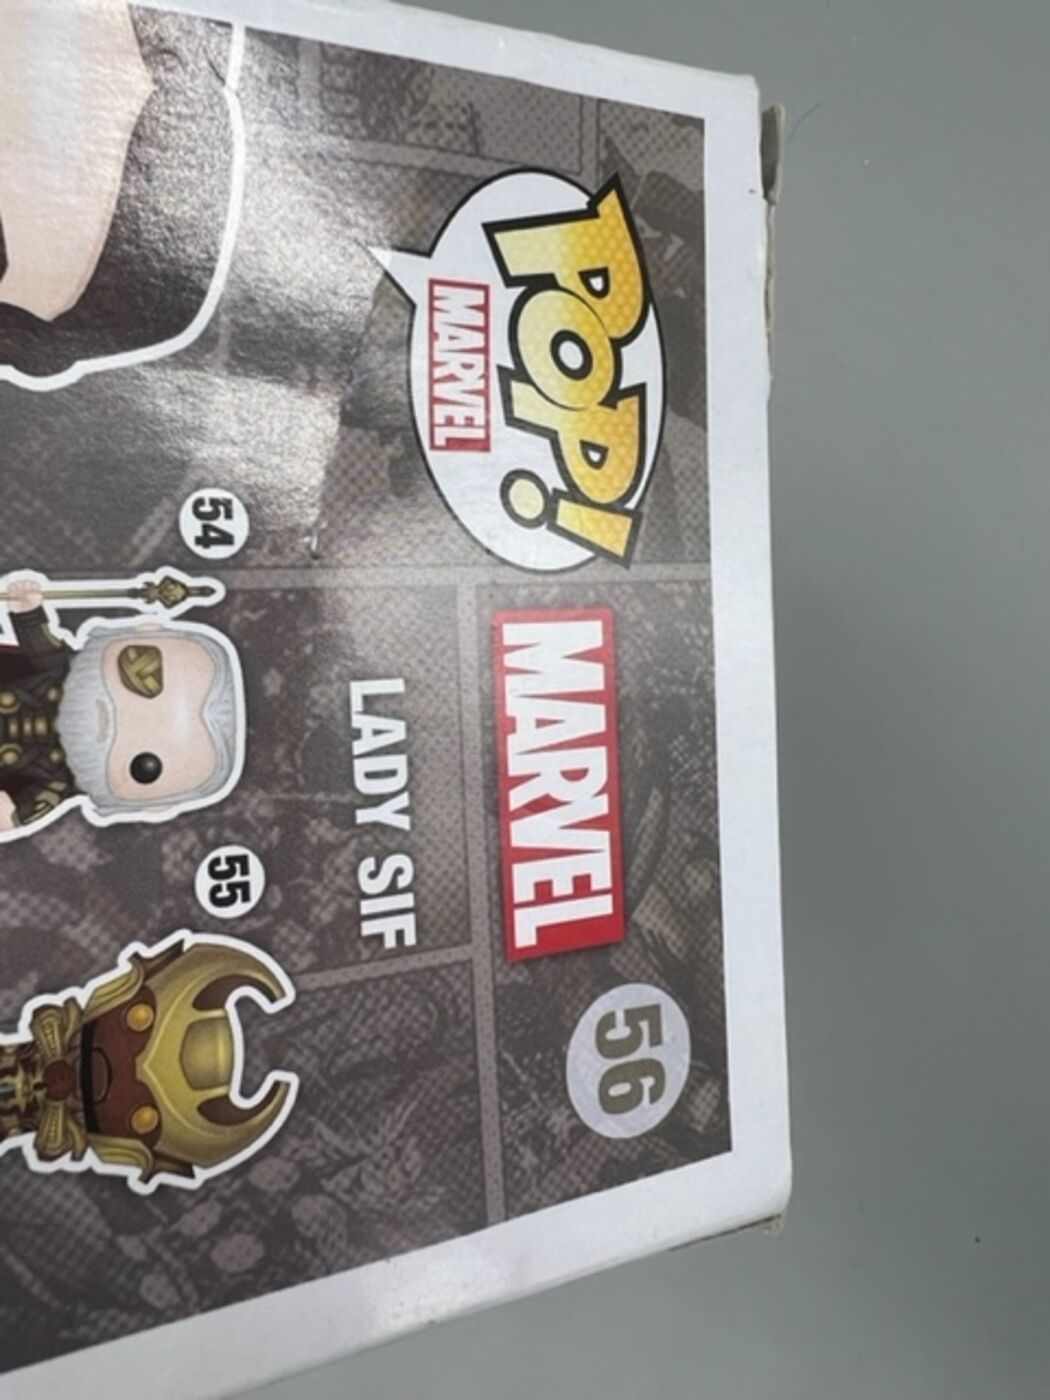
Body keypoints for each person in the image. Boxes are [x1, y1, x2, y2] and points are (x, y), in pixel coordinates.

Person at [0, 578, 243, 838]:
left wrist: (13, 817)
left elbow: (23, 810)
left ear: (152, 804)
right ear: (146, 629)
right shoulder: (60, 671)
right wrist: (28, 614)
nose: (115, 722)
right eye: (142, 676)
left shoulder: (57, 781)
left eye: (145, 766)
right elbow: (41, 647)